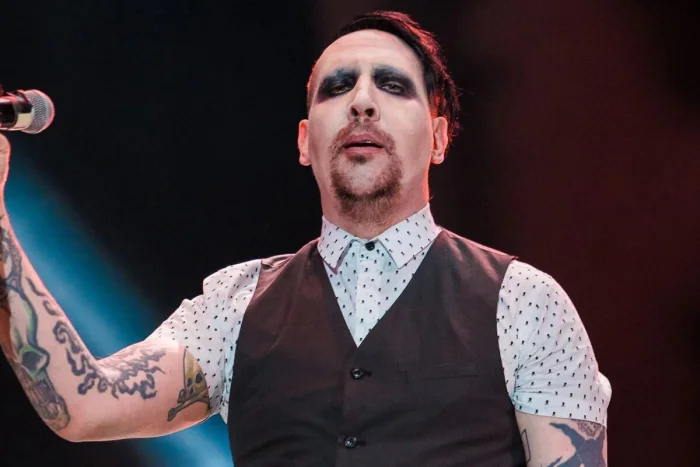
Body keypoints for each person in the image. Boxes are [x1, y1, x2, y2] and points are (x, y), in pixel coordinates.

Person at [0, 10, 611, 467]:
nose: (362, 102)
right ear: (303, 141)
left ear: (439, 137)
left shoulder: (526, 303)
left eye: (393, 86)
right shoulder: (236, 305)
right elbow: (83, 403)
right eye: (337, 87)